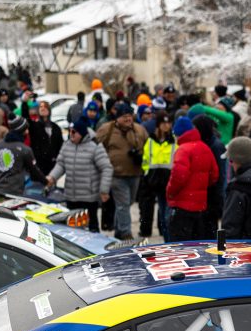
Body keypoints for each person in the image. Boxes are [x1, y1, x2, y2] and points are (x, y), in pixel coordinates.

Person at [46, 118, 113, 232]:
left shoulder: (94, 146)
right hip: (71, 195)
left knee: (91, 227)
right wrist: (52, 177)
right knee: (72, 227)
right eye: (69, 131)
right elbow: (61, 164)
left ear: (81, 133)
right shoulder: (67, 145)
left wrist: (104, 190)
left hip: (88, 197)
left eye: (74, 132)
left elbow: (106, 168)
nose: (71, 134)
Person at [95, 102, 148, 240]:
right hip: (116, 175)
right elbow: (95, 146)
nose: (128, 119)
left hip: (135, 173)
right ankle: (125, 233)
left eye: (129, 116)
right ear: (117, 118)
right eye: (124, 116)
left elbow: (148, 147)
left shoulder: (139, 130)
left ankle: (119, 230)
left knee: (128, 202)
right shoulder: (107, 129)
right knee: (123, 204)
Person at [165, 115, 218, 241]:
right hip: (200, 207)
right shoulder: (204, 147)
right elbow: (214, 175)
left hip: (182, 207)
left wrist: (169, 192)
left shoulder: (183, 150)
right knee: (196, 246)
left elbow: (178, 177)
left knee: (180, 246)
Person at [138, 111, 175, 241]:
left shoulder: (174, 141)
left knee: (166, 214)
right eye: (163, 123)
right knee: (157, 211)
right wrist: (147, 173)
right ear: (158, 124)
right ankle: (163, 238)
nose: (166, 125)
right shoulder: (150, 140)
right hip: (154, 180)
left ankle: (168, 239)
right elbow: (146, 159)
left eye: (168, 123)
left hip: (169, 180)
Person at [0, 116, 46, 194]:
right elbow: (34, 171)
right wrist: (46, 181)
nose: (28, 131)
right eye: (26, 129)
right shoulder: (25, 149)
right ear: (22, 130)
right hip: (15, 192)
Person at [27, 99, 63, 176]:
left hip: (53, 165)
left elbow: (60, 146)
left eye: (45, 107)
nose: (43, 108)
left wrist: (58, 159)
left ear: (49, 110)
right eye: (41, 107)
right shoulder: (34, 126)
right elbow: (26, 117)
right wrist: (24, 103)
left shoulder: (56, 128)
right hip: (38, 166)